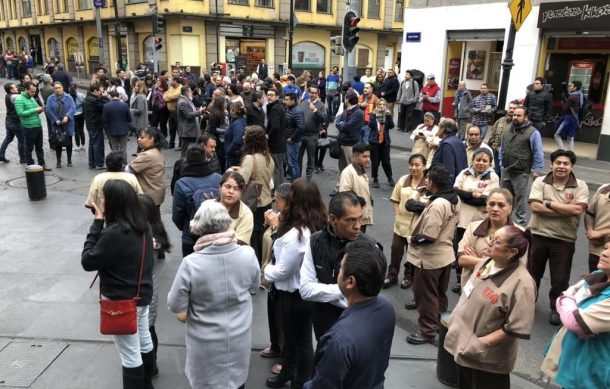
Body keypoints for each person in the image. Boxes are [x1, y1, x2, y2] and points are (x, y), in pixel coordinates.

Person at [167, 200, 260, 389]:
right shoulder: (248, 254)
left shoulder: (192, 263)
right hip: (238, 337)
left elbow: (175, 305)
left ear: (200, 227)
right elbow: (254, 287)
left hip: (204, 343)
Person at [81, 179, 155, 389]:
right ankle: (147, 384)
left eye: (103, 197)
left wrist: (97, 221)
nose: (101, 200)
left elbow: (87, 260)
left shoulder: (115, 233)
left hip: (122, 303)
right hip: (142, 295)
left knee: (130, 354)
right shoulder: (143, 226)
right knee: (143, 340)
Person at [445, 226, 536, 389]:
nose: (489, 242)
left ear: (512, 252)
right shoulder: (486, 263)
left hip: (485, 359)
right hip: (462, 347)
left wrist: (477, 344)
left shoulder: (523, 284)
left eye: (496, 241)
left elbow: (514, 328)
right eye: (491, 238)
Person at [304, 240, 394, 389]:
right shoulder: (386, 307)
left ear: (350, 282)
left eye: (340, 269)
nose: (338, 272)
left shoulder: (338, 340)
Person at [264, 178, 327, 389]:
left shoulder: (297, 234)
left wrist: (266, 270)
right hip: (302, 294)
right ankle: (288, 374)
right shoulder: (316, 224)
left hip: (294, 295)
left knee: (300, 342)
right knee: (292, 340)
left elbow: (283, 270)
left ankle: (300, 382)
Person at [300, 191, 382, 340]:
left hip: (358, 330)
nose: (358, 226)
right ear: (332, 219)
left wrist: (321, 291)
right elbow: (305, 290)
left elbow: (369, 298)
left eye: (360, 219)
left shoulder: (370, 248)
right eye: (350, 220)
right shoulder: (315, 241)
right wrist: (346, 290)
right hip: (323, 329)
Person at [527, 149, 589, 325]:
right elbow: (535, 208)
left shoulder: (581, 185)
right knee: (532, 273)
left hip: (564, 238)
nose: (561, 166)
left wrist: (548, 202)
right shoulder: (540, 181)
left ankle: (556, 309)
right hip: (538, 234)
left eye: (566, 164)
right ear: (551, 164)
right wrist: (564, 209)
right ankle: (527, 303)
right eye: (558, 163)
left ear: (572, 166)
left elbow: (577, 210)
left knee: (560, 279)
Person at [541, 244, 610, 389]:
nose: (604, 253)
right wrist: (567, 300)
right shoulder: (598, 275)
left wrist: (566, 300)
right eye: (606, 248)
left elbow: (574, 322)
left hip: (592, 375)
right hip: (573, 365)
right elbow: (566, 295)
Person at [405, 165, 460, 345]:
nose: (425, 182)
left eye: (428, 180)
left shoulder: (438, 205)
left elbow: (428, 237)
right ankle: (439, 324)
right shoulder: (454, 199)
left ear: (433, 183)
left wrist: (412, 239)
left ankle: (427, 332)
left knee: (426, 296)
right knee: (439, 294)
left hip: (429, 259)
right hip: (446, 256)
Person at [452, 149, 500, 292]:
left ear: (490, 163)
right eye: (478, 160)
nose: (480, 163)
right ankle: (460, 280)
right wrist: (473, 195)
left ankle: (476, 281)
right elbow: (455, 192)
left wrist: (466, 196)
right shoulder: (464, 173)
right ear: (472, 160)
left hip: (479, 222)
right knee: (461, 250)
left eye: (485, 161)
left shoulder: (493, 177)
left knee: (477, 252)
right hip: (461, 220)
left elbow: (486, 201)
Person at [457, 188, 524, 286]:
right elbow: (462, 260)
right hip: (471, 286)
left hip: (500, 289)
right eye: (491, 204)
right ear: (486, 206)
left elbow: (518, 267)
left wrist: (477, 261)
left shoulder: (519, 233)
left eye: (501, 205)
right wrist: (499, 262)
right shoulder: (473, 227)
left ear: (510, 208)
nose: (495, 209)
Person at [138, 194, 171, 379]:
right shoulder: (156, 231)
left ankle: (149, 364)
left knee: (146, 328)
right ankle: (151, 363)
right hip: (151, 285)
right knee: (149, 328)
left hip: (145, 288)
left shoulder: (147, 236)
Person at [259, 183, 291, 373]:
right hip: (271, 277)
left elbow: (280, 245)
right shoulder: (279, 217)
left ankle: (286, 357)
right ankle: (276, 346)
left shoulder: (292, 223)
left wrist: (273, 227)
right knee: (273, 313)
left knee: (284, 319)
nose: (274, 202)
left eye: (277, 199)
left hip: (281, 277)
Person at [384, 154, 428, 288]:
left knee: (412, 253)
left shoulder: (427, 183)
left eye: (417, 165)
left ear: (424, 167)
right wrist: (397, 214)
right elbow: (395, 199)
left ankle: (409, 276)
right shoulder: (403, 180)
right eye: (411, 164)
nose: (413, 168)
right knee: (396, 250)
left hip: (417, 227)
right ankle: (392, 275)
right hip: (400, 225)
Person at [172, 146, 222, 257]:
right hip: (217, 233)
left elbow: (177, 214)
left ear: (187, 160)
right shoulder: (218, 178)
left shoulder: (181, 183)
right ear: (205, 158)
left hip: (191, 236)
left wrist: (186, 227)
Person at [499, 106, 544, 226]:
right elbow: (502, 148)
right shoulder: (507, 129)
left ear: (526, 117)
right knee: (505, 198)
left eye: (518, 115)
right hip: (506, 170)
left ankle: (520, 224)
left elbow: (538, 152)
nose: (515, 117)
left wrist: (537, 170)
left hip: (521, 172)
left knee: (520, 199)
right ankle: (505, 222)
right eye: (514, 115)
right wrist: (500, 163)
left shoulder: (533, 132)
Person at [236, 125, 275, 262]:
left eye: (245, 136)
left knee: (252, 236)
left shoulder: (249, 159)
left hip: (254, 203)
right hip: (267, 200)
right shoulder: (268, 158)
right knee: (263, 237)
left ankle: (253, 264)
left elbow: (241, 180)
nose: (243, 138)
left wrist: (234, 172)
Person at [15, 81, 50, 170]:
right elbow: (20, 113)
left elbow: (35, 109)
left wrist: (40, 110)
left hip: (37, 125)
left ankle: (42, 164)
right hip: (28, 127)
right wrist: (35, 110)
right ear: (26, 89)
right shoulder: (19, 99)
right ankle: (30, 165)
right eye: (32, 91)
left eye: (35, 91)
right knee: (29, 147)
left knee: (39, 146)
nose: (34, 93)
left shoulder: (31, 97)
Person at [339, 143, 373, 233]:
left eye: (369, 156)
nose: (368, 159)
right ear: (355, 156)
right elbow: (344, 194)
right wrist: (357, 201)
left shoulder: (361, 169)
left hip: (361, 217)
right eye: (364, 157)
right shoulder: (348, 172)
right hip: (353, 220)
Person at [128, 128, 166, 207]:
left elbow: (128, 170)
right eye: (138, 137)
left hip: (148, 195)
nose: (138, 140)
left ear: (151, 139)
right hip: (156, 193)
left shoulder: (148, 155)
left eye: (142, 138)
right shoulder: (155, 150)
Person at [298, 85, 326, 178]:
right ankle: (297, 177)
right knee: (298, 157)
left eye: (315, 93)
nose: (313, 94)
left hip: (312, 135)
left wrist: (315, 110)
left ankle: (308, 179)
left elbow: (324, 118)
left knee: (311, 158)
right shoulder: (303, 103)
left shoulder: (321, 105)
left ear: (317, 94)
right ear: (308, 93)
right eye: (311, 92)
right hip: (301, 134)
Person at [46, 82, 76, 165]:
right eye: (56, 88)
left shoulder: (68, 97)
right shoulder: (50, 98)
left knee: (69, 142)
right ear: (54, 89)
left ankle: (69, 160)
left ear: (62, 88)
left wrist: (67, 116)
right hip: (57, 124)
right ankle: (58, 161)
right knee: (58, 143)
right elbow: (48, 110)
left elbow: (73, 108)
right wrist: (55, 120)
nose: (58, 89)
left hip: (68, 123)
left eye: (59, 87)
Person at [431, 118, 468, 185]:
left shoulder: (447, 144)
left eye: (439, 128)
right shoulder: (459, 142)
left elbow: (448, 170)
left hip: (447, 186)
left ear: (442, 130)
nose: (438, 130)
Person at [368, 99, 395, 188]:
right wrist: (376, 118)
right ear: (377, 105)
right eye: (380, 104)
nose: (382, 106)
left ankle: (390, 178)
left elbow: (391, 126)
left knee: (386, 161)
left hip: (385, 141)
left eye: (384, 104)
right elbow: (371, 125)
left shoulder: (387, 115)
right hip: (374, 141)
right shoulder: (373, 114)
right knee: (375, 161)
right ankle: (375, 179)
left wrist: (389, 116)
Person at [335, 94, 364, 176]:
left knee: (352, 168)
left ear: (348, 100)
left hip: (351, 144)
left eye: (345, 98)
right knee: (342, 167)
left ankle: (354, 186)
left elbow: (347, 126)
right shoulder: (346, 110)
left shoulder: (358, 113)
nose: (344, 100)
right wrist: (342, 124)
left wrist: (342, 124)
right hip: (342, 142)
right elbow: (337, 122)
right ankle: (341, 185)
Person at [488, 100, 519, 176]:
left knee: (505, 174)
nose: (512, 110)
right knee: (496, 172)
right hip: (496, 152)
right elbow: (493, 134)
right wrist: (492, 144)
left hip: (508, 155)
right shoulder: (500, 120)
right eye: (510, 108)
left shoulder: (519, 124)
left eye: (514, 108)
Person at [585, 183, 610, 272]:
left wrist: (601, 233)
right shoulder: (603, 189)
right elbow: (590, 213)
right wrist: (590, 231)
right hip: (596, 249)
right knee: (595, 282)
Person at [84, 83, 109, 169]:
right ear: (95, 91)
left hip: (90, 124)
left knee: (92, 144)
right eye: (100, 91)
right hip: (96, 124)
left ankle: (92, 163)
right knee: (98, 144)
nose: (101, 93)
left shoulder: (88, 98)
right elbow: (105, 107)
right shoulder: (94, 100)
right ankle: (99, 163)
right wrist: (105, 97)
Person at [0, 83, 26, 164]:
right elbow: (24, 96)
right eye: (15, 87)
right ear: (11, 90)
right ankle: (22, 158)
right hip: (15, 122)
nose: (17, 88)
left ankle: (1, 155)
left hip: (8, 120)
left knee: (8, 138)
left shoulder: (8, 95)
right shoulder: (14, 96)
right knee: (22, 139)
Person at [176, 85, 205, 158]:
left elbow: (191, 111)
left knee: (189, 150)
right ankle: (182, 166)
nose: (191, 93)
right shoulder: (183, 102)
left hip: (190, 131)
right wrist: (199, 112)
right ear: (187, 92)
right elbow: (188, 115)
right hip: (187, 131)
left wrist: (198, 110)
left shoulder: (187, 100)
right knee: (185, 151)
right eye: (190, 91)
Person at [103, 90, 132, 161]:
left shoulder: (106, 106)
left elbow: (104, 120)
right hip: (123, 129)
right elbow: (129, 119)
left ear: (111, 96)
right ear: (119, 96)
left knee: (114, 148)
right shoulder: (125, 105)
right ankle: (124, 163)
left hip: (112, 130)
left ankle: (115, 163)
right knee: (123, 148)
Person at [554, 81, 582, 151]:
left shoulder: (572, 97)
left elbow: (565, 109)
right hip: (575, 119)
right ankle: (570, 153)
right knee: (571, 137)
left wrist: (562, 103)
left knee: (557, 135)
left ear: (575, 88)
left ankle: (561, 150)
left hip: (568, 118)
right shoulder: (580, 95)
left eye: (571, 86)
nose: (570, 87)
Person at [284, 92, 305, 181]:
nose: (285, 101)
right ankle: (293, 179)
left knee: (293, 163)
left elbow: (301, 127)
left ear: (293, 101)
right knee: (289, 161)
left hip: (293, 142)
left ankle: (296, 182)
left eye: (287, 100)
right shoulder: (289, 109)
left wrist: (291, 138)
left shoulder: (297, 111)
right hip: (287, 140)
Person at [224, 101, 247, 168]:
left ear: (233, 110)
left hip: (234, 157)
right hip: (234, 156)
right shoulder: (237, 121)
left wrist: (229, 152)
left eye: (230, 110)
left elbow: (237, 141)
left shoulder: (238, 123)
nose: (229, 112)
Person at [163, 76, 182, 149]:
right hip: (170, 111)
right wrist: (168, 97)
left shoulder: (180, 88)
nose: (170, 82)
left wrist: (168, 97)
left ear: (176, 81)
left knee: (179, 128)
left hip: (177, 111)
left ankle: (181, 144)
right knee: (171, 128)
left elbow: (176, 96)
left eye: (172, 81)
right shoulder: (171, 88)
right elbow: (164, 96)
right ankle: (171, 144)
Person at [68, 83, 86, 152]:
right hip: (81, 114)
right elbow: (84, 104)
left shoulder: (68, 96)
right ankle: (83, 145)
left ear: (69, 88)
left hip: (73, 115)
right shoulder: (81, 95)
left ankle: (78, 146)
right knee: (81, 130)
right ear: (76, 88)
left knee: (76, 131)